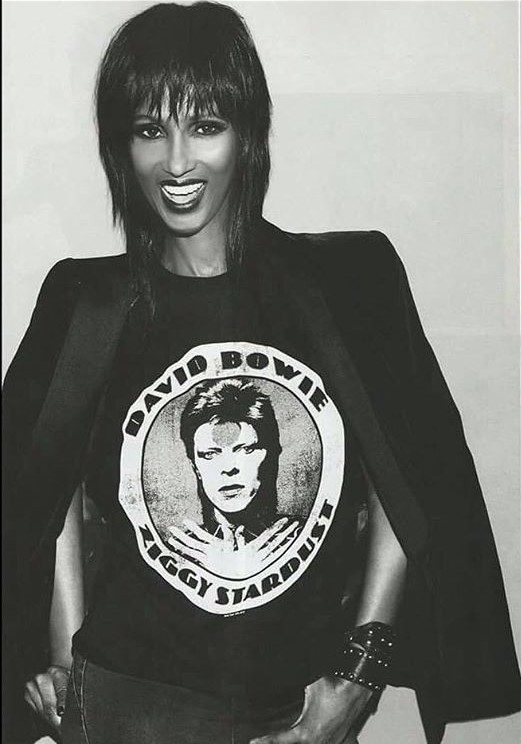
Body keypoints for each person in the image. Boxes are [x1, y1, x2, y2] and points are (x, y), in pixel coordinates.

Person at [2, 3, 519, 744]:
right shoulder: (85, 302)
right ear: (121, 146)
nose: (176, 162)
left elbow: (407, 483)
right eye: (149, 130)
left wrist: (356, 678)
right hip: (129, 702)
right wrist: (62, 661)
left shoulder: (350, 284)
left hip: (299, 701)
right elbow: (46, 493)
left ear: (247, 135)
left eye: (205, 126)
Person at [169, 377, 300, 579]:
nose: (229, 468)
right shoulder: (178, 554)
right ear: (195, 467)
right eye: (210, 454)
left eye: (245, 449)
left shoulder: (305, 538)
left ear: (271, 455)